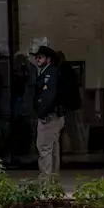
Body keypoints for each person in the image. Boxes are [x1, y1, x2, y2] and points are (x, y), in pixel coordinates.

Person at [33, 44, 65, 180]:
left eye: (40, 57)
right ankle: (53, 181)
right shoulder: (50, 72)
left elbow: (48, 96)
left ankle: (46, 183)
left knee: (45, 149)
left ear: (49, 58)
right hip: (54, 116)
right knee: (52, 150)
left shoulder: (50, 74)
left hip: (49, 117)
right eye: (36, 57)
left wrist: (42, 113)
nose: (37, 60)